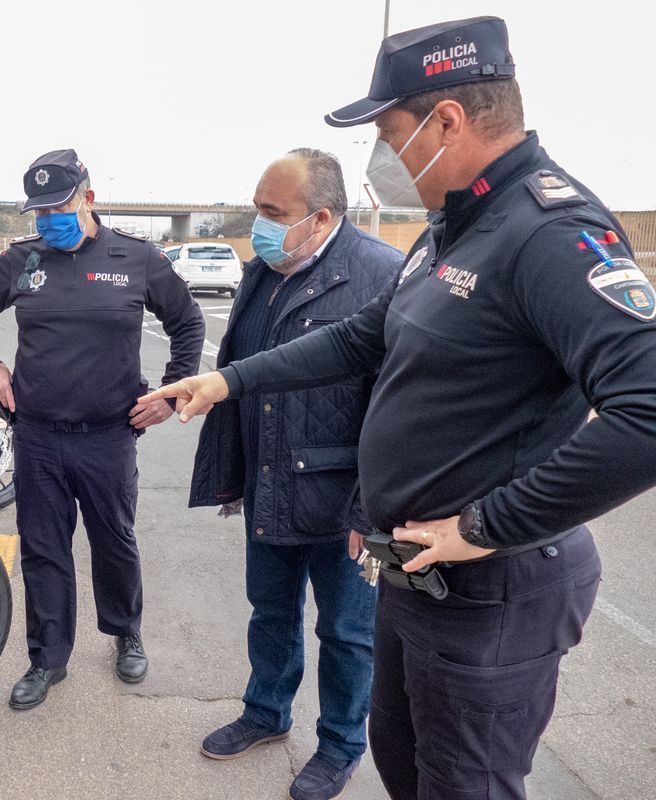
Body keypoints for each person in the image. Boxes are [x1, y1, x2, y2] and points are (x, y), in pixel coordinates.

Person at [138, 16, 655, 799]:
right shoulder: (454, 228)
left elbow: (647, 407)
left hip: (491, 592)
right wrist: (229, 381)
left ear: (447, 121)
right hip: (412, 577)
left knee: (464, 785)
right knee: (406, 769)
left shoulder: (547, 232)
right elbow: (359, 340)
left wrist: (486, 527)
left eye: (388, 130)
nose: (382, 153)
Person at [0, 148, 205, 709]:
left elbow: (188, 322)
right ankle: (47, 658)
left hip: (108, 435)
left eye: (58, 207)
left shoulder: (137, 258)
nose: (48, 222)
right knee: (43, 550)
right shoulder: (23, 260)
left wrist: (171, 391)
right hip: (39, 434)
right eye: (39, 213)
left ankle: (125, 631)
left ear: (88, 199)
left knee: (114, 541)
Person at [193, 149, 401, 800]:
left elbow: (396, 409)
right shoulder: (264, 272)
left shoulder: (382, 276)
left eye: (270, 212)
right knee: (271, 613)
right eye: (256, 208)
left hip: (345, 502)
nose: (258, 224)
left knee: (347, 632)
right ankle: (266, 713)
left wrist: (371, 512)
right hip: (270, 483)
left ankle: (340, 745)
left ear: (320, 218)